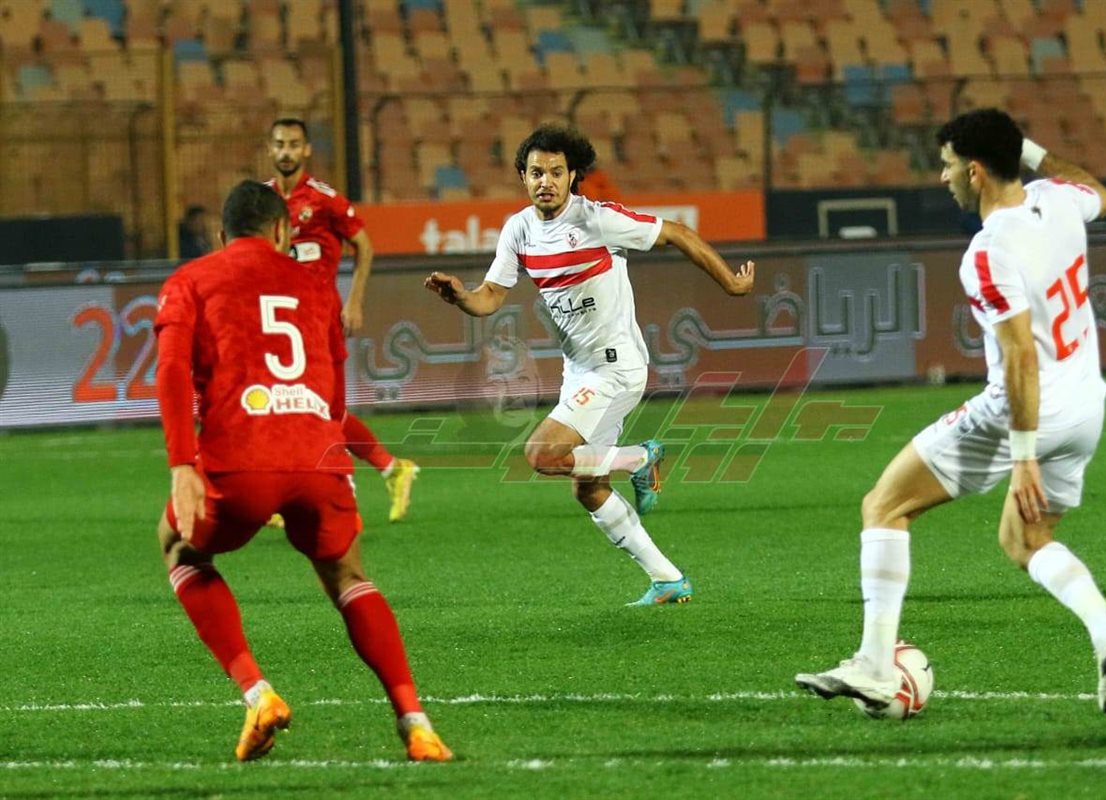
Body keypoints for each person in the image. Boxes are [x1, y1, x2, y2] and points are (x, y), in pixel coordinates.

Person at [794, 109, 1106, 713]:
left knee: (884, 506)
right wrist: (1025, 148)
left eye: (948, 164)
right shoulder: (1059, 201)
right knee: (1026, 539)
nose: (944, 177)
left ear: (975, 171)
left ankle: (875, 665)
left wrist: (1023, 457)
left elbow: (1020, 356)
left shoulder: (988, 250)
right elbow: (1100, 192)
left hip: (1023, 414)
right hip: (1086, 406)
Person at [152, 180, 452, 762]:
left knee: (179, 547)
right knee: (348, 577)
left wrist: (182, 464)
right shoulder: (315, 285)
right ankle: (416, 724)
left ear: (222, 235)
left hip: (240, 459)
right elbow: (336, 392)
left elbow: (169, 371)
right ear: (282, 230)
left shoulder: (190, 280)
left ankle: (258, 693)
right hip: (318, 457)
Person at [424, 123, 755, 605]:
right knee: (588, 487)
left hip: (616, 368)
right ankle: (667, 579)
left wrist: (731, 283)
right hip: (578, 372)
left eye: (556, 172)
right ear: (523, 177)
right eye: (536, 172)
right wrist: (460, 296)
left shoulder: (597, 219)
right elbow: (491, 296)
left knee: (541, 455)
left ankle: (640, 458)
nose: (546, 181)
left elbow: (676, 232)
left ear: (572, 175)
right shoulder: (519, 230)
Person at [266, 118, 417, 523]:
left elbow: (364, 246)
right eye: (279, 144)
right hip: (275, 322)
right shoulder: (261, 201)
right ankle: (389, 469)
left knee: (321, 414)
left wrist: (354, 301)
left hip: (319, 322)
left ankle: (344, 493)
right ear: (270, 149)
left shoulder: (324, 200)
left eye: (293, 144)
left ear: (306, 150)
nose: (285, 152)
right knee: (288, 408)